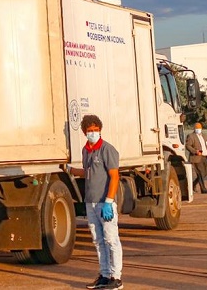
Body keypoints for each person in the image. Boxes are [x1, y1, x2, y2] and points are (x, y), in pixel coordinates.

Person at [67, 114, 123, 289]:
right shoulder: (86, 151)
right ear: (84, 132)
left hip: (104, 202)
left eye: (96, 130)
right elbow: (87, 172)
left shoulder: (107, 149)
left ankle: (116, 277)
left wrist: (109, 201)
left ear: (100, 130)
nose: (93, 133)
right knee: (98, 240)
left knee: (111, 239)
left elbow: (114, 176)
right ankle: (105, 275)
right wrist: (71, 170)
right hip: (90, 202)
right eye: (90, 130)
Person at [185, 122, 207, 193]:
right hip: (196, 158)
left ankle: (193, 184)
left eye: (199, 128)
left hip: (205, 157)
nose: (198, 129)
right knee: (200, 173)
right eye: (197, 128)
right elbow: (188, 146)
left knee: (205, 172)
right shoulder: (191, 136)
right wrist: (195, 151)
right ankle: (203, 189)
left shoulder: (204, 136)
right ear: (194, 128)